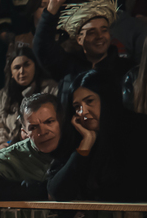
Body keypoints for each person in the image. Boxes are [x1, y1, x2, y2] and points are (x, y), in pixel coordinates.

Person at [47, 70, 147, 203]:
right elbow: (58, 192)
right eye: (77, 107)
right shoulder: (77, 136)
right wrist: (85, 146)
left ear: (107, 98)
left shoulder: (138, 128)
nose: (83, 112)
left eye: (89, 101)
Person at [34, 0, 130, 88]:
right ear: (79, 39)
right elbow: (42, 48)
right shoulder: (69, 66)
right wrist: (53, 7)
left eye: (104, 30)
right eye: (91, 32)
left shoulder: (125, 69)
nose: (99, 36)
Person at [0, 92, 62, 202]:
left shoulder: (75, 149)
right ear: (24, 132)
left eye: (49, 122)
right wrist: (41, 191)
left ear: (61, 121)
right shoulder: (13, 156)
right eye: (33, 127)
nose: (42, 132)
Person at [0, 44, 57, 155]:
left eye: (26, 65)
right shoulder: (3, 96)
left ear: (35, 66)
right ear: (11, 73)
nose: (22, 71)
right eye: (17, 67)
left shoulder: (50, 89)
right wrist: (1, 144)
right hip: (10, 150)